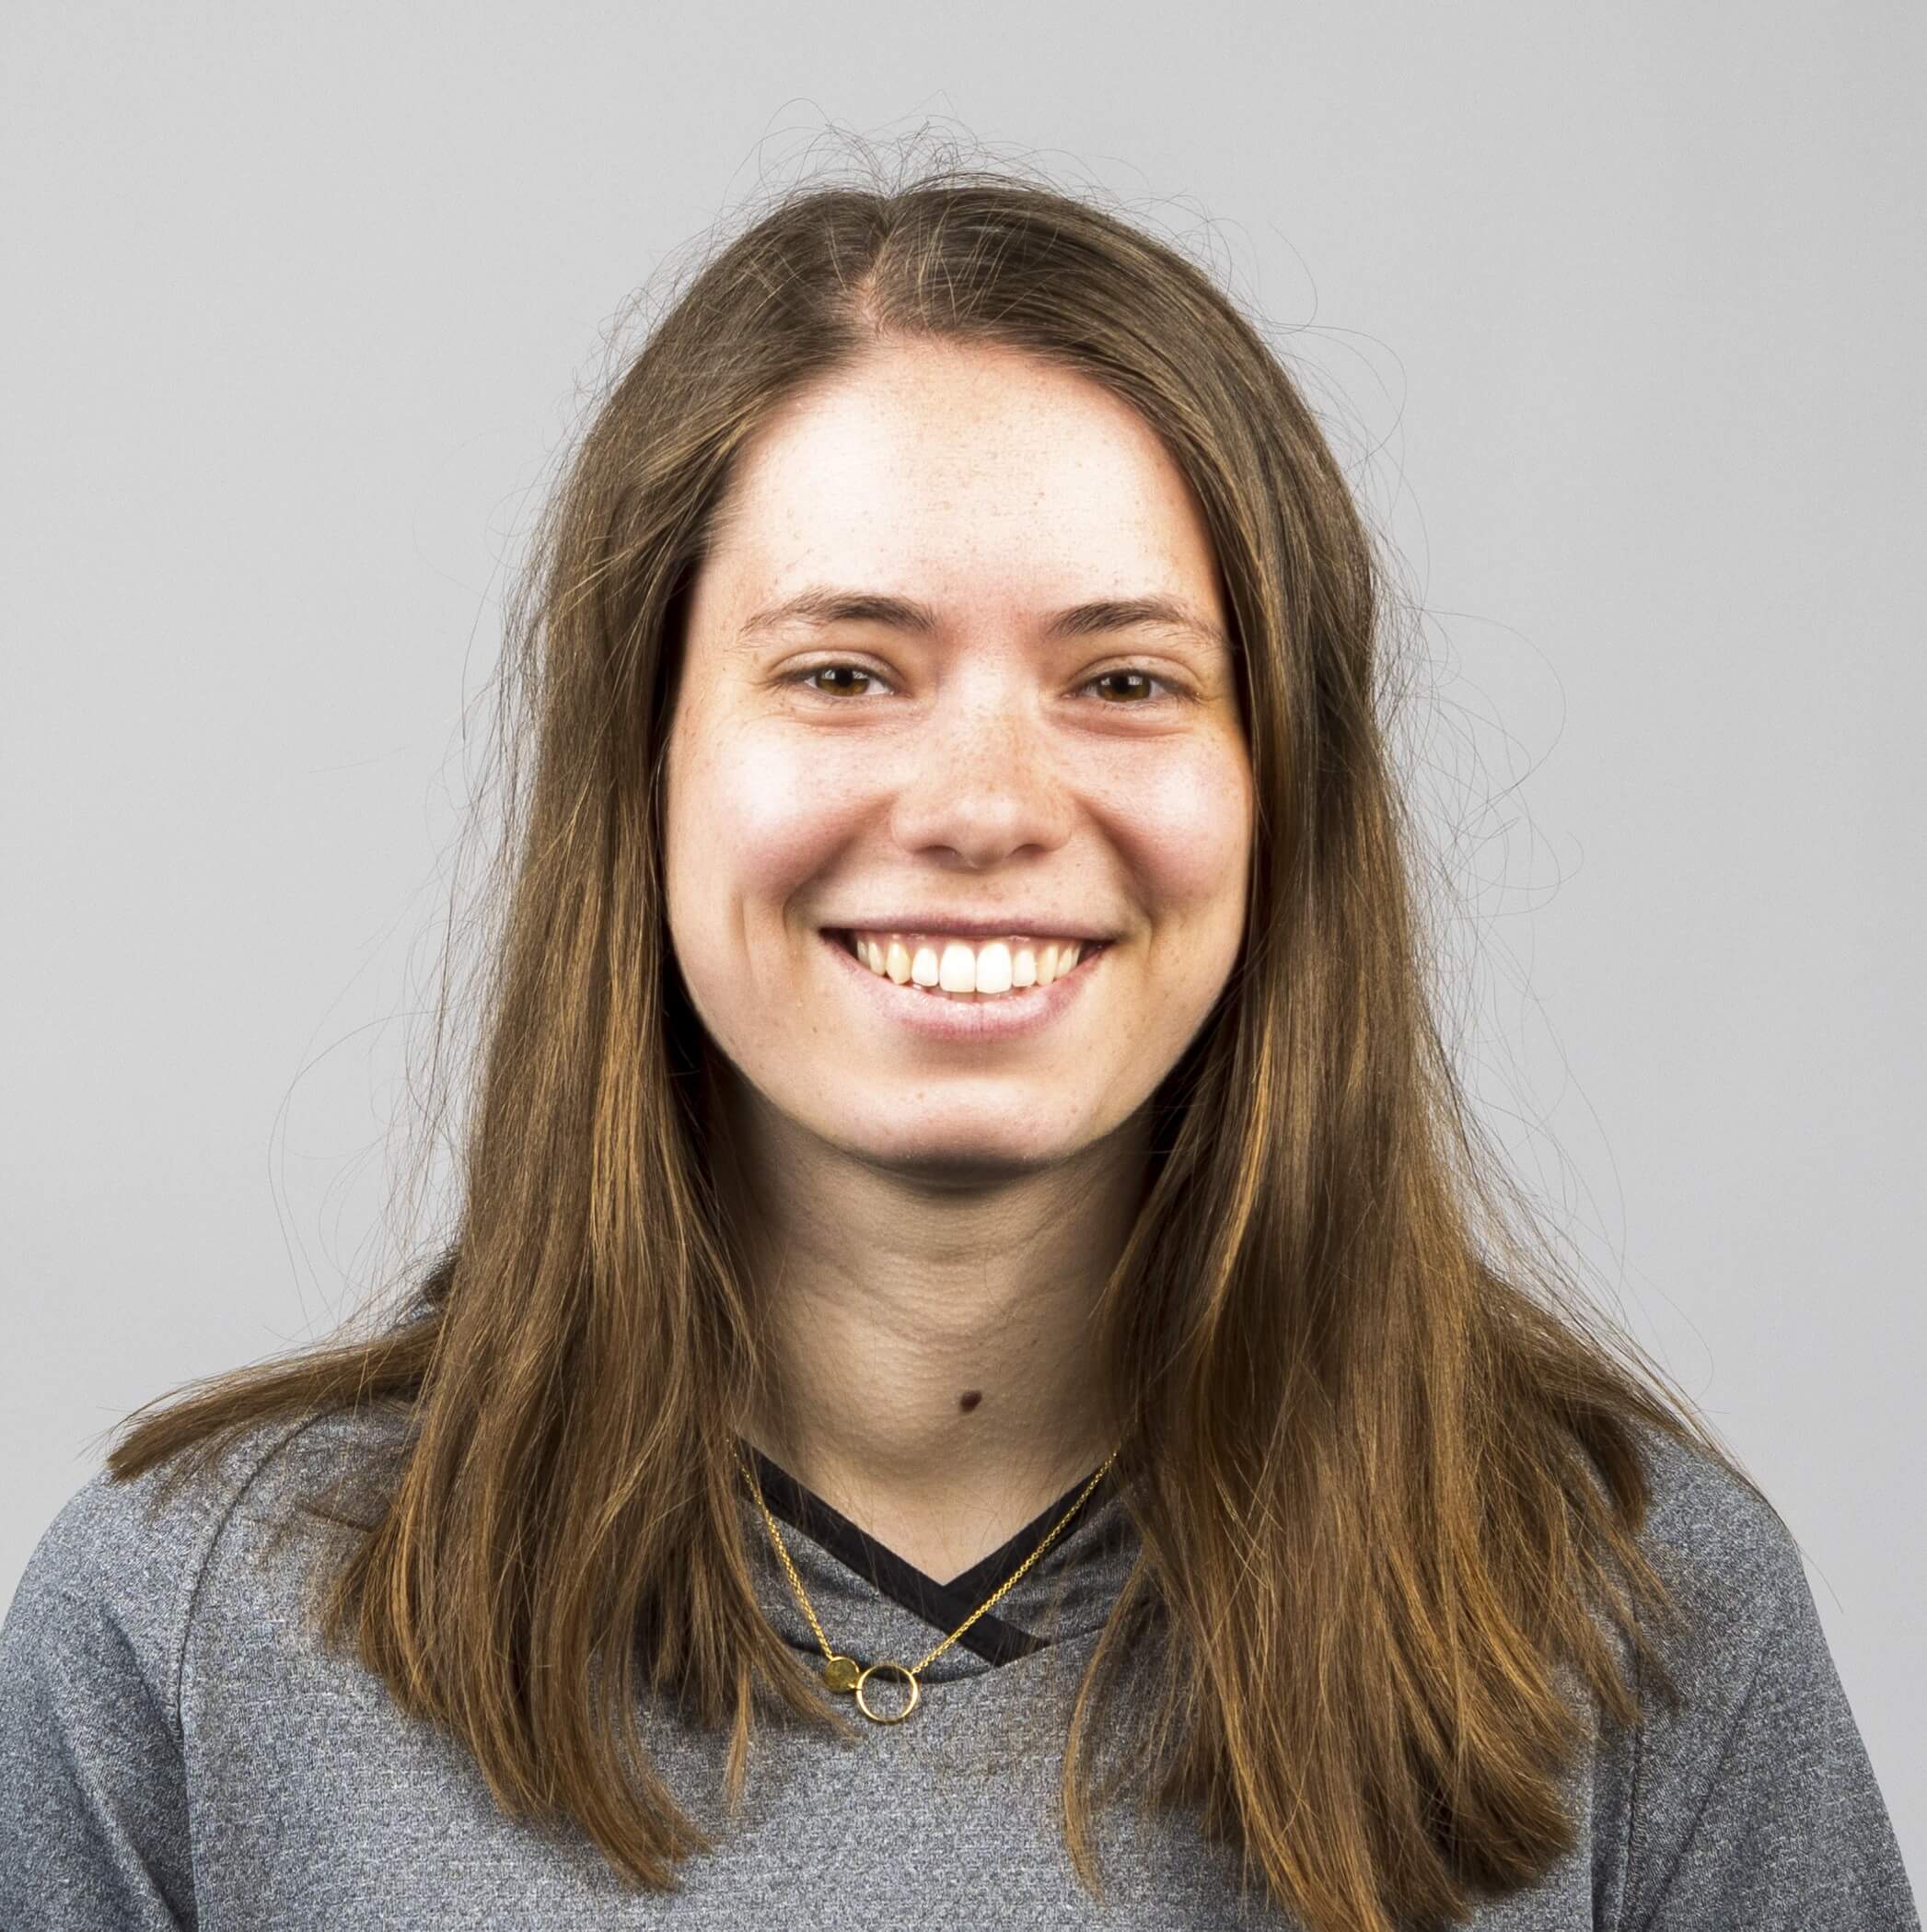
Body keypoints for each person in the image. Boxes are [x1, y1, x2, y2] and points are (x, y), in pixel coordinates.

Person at [0, 160, 1916, 1932]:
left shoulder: (1639, 1621)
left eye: (1125, 679)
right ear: (642, 768)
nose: (987, 804)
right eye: (843, 671)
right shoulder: (186, 1638)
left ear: (1283, 799)